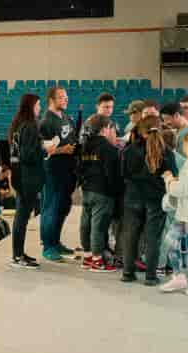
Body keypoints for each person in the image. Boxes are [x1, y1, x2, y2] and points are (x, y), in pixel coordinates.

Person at [120, 116, 175, 286]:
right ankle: (151, 276)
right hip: (156, 199)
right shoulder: (166, 152)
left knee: (130, 236)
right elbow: (172, 175)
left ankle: (128, 273)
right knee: (153, 238)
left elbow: (123, 174)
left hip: (132, 197)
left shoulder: (129, 150)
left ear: (140, 131)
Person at [78, 115, 122, 272]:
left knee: (86, 225)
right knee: (99, 227)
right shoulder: (108, 149)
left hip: (87, 190)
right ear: (105, 129)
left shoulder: (84, 145)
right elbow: (112, 175)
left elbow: (79, 168)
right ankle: (97, 260)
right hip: (103, 192)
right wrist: (116, 192)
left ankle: (88, 257)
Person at [39, 86, 78, 262]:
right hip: (52, 170)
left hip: (67, 169)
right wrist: (62, 150)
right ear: (51, 100)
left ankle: (56, 242)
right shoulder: (46, 122)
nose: (66, 99)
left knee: (63, 207)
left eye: (66, 97)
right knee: (51, 208)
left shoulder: (67, 117)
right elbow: (43, 149)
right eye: (61, 97)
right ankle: (48, 246)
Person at [8, 94, 45, 269]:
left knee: (21, 217)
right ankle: (17, 256)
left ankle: (18, 253)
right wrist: (44, 149)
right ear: (31, 106)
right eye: (38, 105)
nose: (40, 108)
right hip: (27, 177)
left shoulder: (17, 124)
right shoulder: (30, 125)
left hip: (18, 174)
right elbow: (28, 154)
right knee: (22, 217)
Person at [159, 131, 188, 293]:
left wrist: (169, 180)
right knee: (171, 242)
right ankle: (178, 277)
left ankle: (179, 276)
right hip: (184, 213)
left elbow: (183, 190)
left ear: (187, 145)